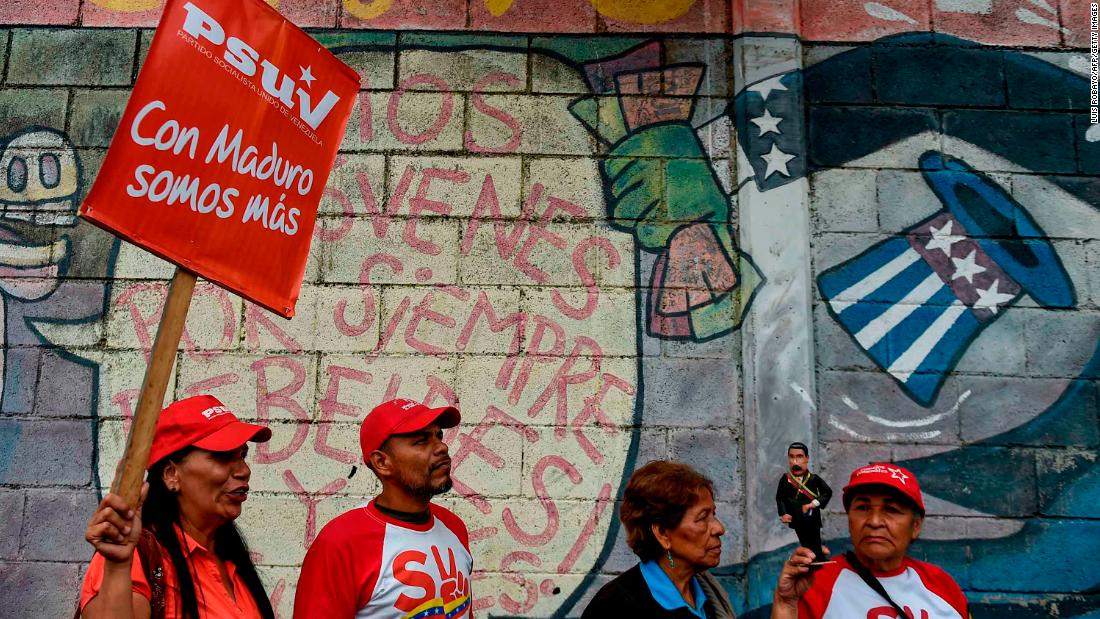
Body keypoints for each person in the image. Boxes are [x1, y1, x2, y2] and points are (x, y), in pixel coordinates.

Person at [79, 394, 275, 619]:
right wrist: (117, 566)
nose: (244, 470)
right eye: (223, 456)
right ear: (172, 475)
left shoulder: (232, 562)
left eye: (242, 455)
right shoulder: (133, 556)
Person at [294, 398, 473, 618]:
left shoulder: (454, 527)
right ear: (381, 462)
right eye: (421, 441)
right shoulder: (341, 542)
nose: (442, 447)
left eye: (439, 436)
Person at [771, 463, 969, 619]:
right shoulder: (814, 584)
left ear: (915, 526)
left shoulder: (942, 586)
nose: (874, 522)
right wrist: (785, 603)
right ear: (850, 520)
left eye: (891, 510)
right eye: (863, 508)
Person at [582, 461, 736, 619]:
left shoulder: (707, 598)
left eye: (713, 515)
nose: (719, 528)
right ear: (663, 533)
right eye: (703, 518)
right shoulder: (614, 608)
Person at [775, 442, 832, 560]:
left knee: (815, 541)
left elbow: (827, 492)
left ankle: (819, 560)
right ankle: (811, 561)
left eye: (799, 457)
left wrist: (814, 504)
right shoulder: (786, 479)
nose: (795, 461)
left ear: (806, 459)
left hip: (812, 518)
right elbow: (780, 498)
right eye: (792, 457)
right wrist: (784, 513)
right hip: (797, 518)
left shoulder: (814, 479)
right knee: (805, 542)